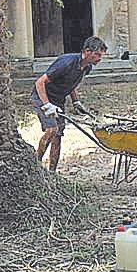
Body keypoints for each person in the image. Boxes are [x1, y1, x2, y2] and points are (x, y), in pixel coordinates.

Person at [31, 36, 107, 173]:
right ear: (88, 52)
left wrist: (76, 101)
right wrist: (47, 105)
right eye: (97, 55)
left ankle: (52, 173)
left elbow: (71, 84)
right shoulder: (66, 62)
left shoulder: (86, 67)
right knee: (51, 130)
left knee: (58, 136)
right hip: (42, 96)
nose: (100, 58)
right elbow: (40, 82)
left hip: (58, 100)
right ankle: (35, 168)